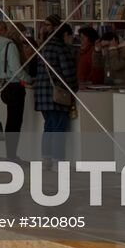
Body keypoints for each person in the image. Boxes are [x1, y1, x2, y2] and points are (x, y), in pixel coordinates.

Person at [33, 20, 76, 169]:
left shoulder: (43, 47)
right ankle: (58, 160)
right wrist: (74, 87)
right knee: (59, 128)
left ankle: (46, 159)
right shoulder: (61, 48)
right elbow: (68, 72)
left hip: (42, 93)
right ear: (65, 35)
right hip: (57, 93)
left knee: (49, 126)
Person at [0, 21, 30, 161]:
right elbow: (16, 69)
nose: (25, 37)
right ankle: (11, 155)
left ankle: (10, 154)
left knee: (11, 121)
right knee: (15, 122)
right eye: (23, 34)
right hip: (15, 87)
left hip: (6, 85)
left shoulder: (2, 45)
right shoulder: (12, 46)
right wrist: (28, 79)